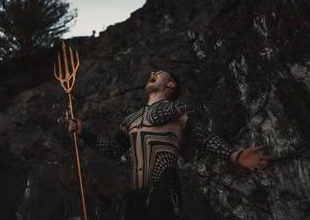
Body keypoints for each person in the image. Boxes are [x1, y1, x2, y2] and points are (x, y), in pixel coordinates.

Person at [68, 71, 276, 220]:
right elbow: (113, 150)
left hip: (163, 193)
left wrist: (236, 155)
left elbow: (203, 136)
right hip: (135, 197)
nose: (153, 72)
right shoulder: (130, 119)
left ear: (171, 85)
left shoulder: (178, 108)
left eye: (159, 73)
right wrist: (83, 133)